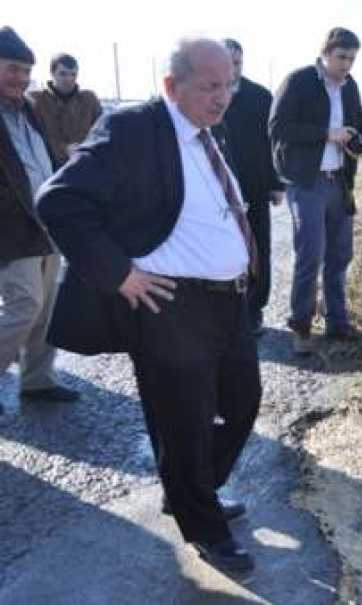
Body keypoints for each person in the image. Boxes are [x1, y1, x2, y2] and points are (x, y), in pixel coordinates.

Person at [37, 38, 260, 573]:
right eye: (210, 86)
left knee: (243, 402)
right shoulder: (136, 128)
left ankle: (191, 490)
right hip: (171, 305)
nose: (223, 96)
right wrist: (119, 274)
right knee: (183, 421)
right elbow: (58, 200)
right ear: (171, 85)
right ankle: (203, 525)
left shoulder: (207, 132)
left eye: (228, 84)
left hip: (228, 304)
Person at [269, 27, 362, 354]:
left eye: (352, 58)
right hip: (307, 183)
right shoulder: (298, 81)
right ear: (325, 52)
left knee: (340, 256)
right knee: (310, 256)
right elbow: (278, 128)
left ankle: (338, 324)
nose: (347, 65)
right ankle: (300, 326)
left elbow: (361, 126)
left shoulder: (350, 86)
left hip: (339, 182)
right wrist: (328, 134)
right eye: (342, 57)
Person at [0, 26, 80, 404]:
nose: (20, 77)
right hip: (11, 229)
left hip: (46, 222)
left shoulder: (29, 110)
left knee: (48, 305)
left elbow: (43, 160)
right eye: (11, 68)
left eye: (25, 70)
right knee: (25, 303)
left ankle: (37, 379)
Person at [214, 38, 282, 336]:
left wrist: (276, 183)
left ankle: (254, 309)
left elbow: (273, 143)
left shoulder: (259, 97)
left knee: (258, 249)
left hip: (253, 186)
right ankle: (223, 311)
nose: (233, 69)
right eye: (227, 62)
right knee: (221, 248)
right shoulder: (207, 96)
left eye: (237, 62)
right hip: (216, 188)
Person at [27, 52, 102, 168]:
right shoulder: (35, 100)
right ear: (52, 73)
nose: (69, 79)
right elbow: (31, 137)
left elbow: (102, 132)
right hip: (50, 168)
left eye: (73, 74)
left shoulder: (89, 100)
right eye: (63, 74)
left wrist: (85, 149)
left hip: (85, 165)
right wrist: (63, 149)